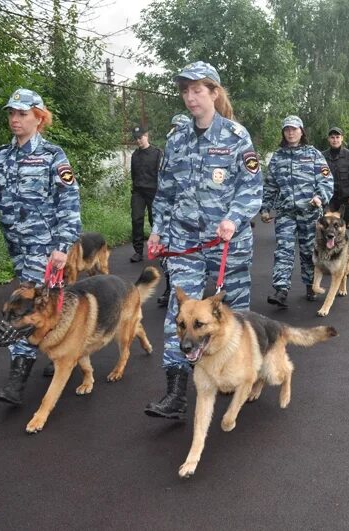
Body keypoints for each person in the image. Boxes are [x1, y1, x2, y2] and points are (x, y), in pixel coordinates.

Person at [144, 61, 262, 420]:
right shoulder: (176, 139)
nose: (190, 97)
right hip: (184, 244)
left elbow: (252, 187)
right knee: (180, 318)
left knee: (235, 316)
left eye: (197, 90)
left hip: (228, 243)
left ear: (214, 93)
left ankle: (242, 376)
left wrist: (233, 218)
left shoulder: (236, 136)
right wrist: (158, 230)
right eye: (185, 91)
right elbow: (165, 192)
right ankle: (176, 393)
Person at [0, 88, 81, 405]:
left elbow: (69, 204)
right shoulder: (0, 157)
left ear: (39, 118)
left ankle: (16, 380)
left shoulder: (54, 157)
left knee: (26, 306)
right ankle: (58, 351)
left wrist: (63, 246)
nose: (15, 119)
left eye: (22, 114)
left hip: (46, 250)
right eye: (11, 113)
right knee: (48, 304)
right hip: (18, 249)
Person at [261, 115, 333, 308]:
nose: (291, 132)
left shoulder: (314, 154)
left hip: (309, 213)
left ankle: (310, 285)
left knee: (309, 251)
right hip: (285, 214)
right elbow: (270, 185)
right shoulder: (277, 157)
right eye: (287, 130)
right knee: (283, 250)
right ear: (284, 133)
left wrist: (320, 197)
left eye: (294, 129)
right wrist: (266, 207)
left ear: (302, 131)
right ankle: (281, 289)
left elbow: (327, 181)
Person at [155, 113, 191, 308]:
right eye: (173, 126)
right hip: (170, 212)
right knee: (168, 253)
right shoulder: (170, 149)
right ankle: (170, 287)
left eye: (179, 127)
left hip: (191, 215)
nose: (174, 130)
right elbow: (163, 184)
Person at [129, 125, 163, 263]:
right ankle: (138, 252)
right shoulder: (135, 155)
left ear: (146, 136)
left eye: (140, 137)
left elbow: (161, 175)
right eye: (136, 138)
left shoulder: (157, 153)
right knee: (136, 219)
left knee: (154, 220)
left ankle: (158, 248)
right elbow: (133, 174)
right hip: (138, 192)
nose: (138, 141)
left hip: (154, 191)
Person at [323, 126, 349, 223]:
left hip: (347, 200)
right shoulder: (322, 156)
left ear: (342, 138)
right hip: (329, 200)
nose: (335, 140)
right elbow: (319, 177)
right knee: (329, 227)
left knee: (348, 226)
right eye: (332, 137)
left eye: (337, 137)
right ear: (328, 139)